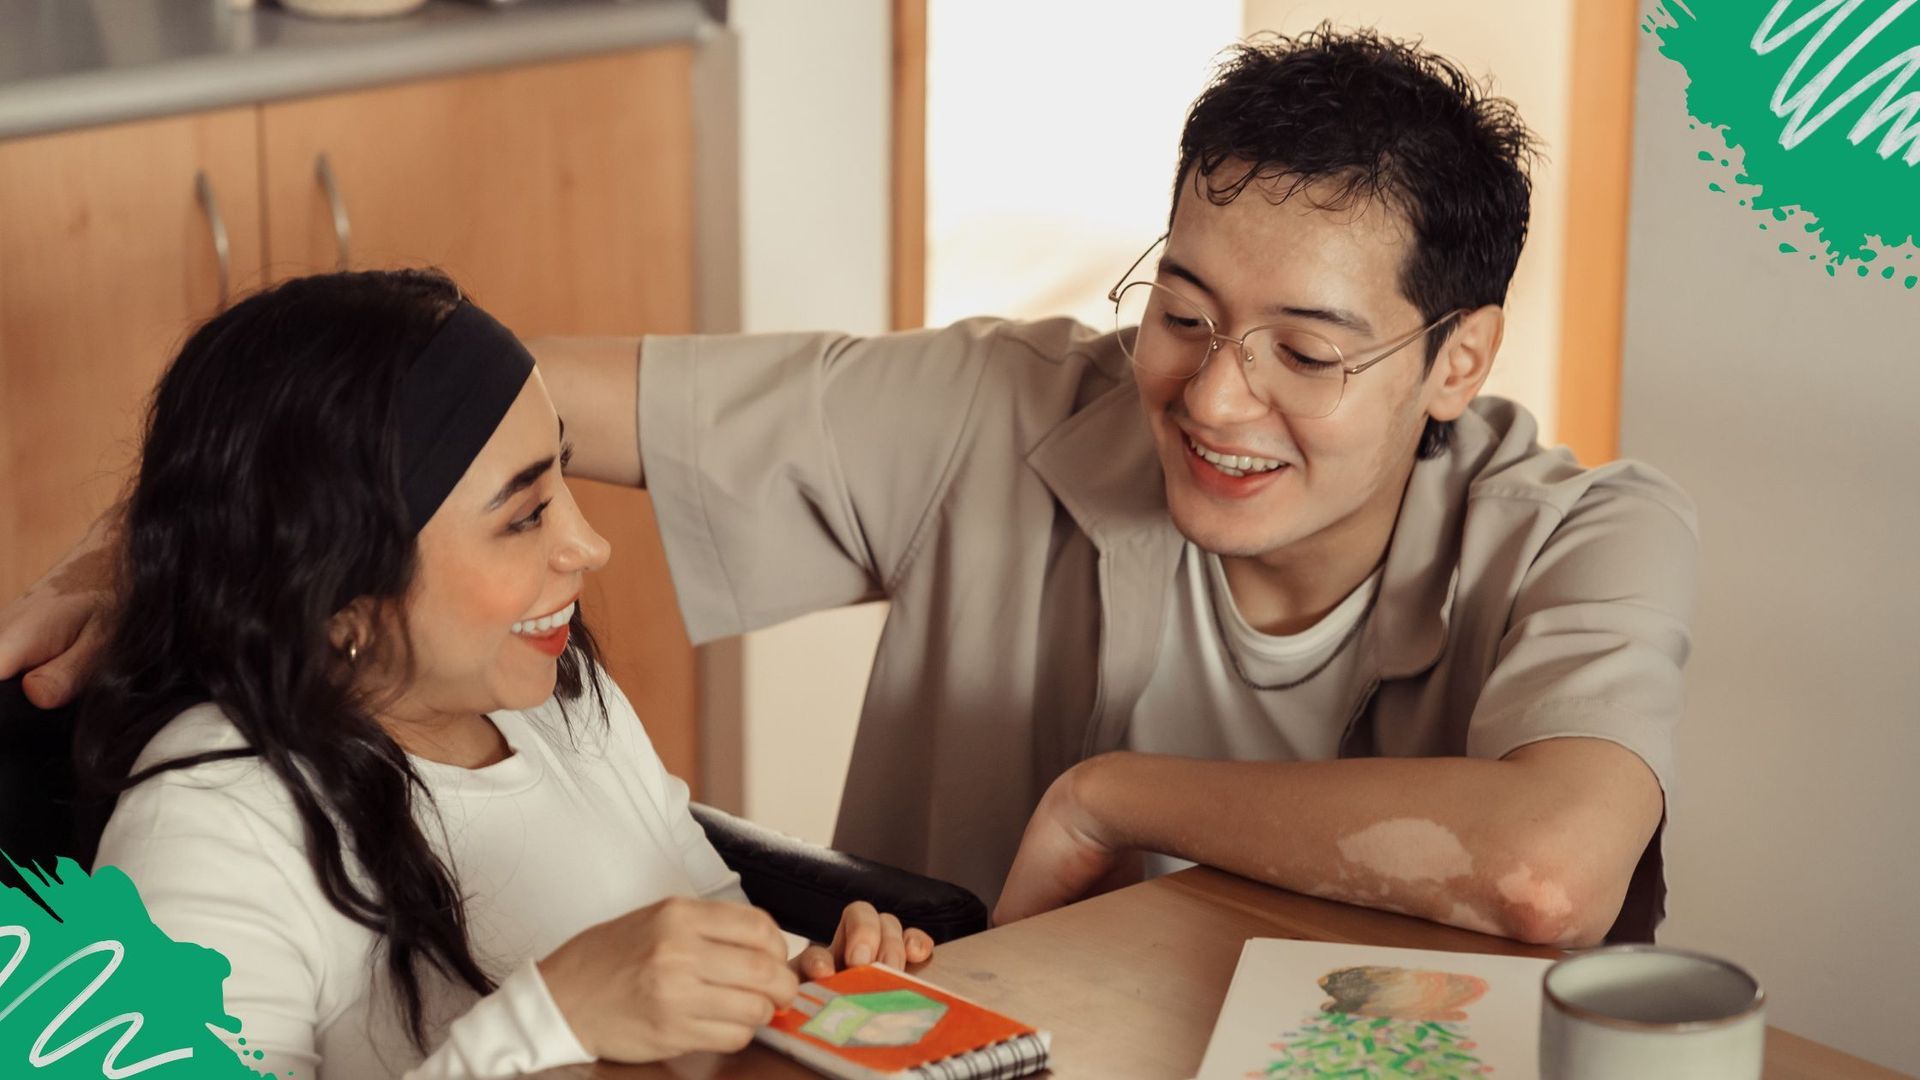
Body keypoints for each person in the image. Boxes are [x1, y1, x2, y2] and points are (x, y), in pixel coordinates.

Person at [2, 27, 1693, 950]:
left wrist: (1113, 798)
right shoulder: (1002, 406)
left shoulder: (1587, 539)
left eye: (1307, 354)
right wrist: (178, 532)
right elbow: (454, 391)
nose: (1214, 395)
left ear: (1458, 363)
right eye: (1180, 311)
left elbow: (1549, 874)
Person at [66, 270, 933, 1079]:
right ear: (338, 598)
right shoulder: (206, 830)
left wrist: (803, 976)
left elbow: (714, 922)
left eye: (563, 473)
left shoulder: (555, 697)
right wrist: (555, 1019)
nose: (588, 545)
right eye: (524, 516)